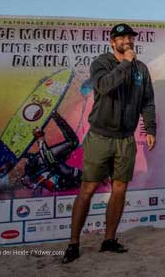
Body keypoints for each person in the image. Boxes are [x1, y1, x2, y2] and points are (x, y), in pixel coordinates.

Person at [62, 23, 156, 264]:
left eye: (130, 37)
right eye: (122, 37)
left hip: (126, 138)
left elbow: (148, 102)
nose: (127, 40)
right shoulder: (101, 63)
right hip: (100, 137)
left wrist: (150, 129)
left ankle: (109, 240)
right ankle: (73, 243)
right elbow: (104, 86)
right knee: (88, 189)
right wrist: (125, 63)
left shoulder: (141, 69)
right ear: (112, 42)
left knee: (120, 189)